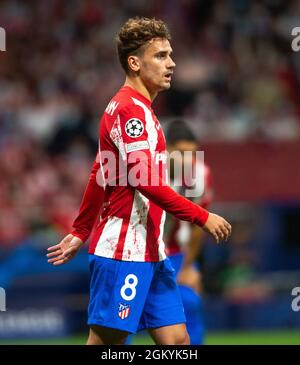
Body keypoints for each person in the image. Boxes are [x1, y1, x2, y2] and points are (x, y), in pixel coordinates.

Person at [47, 17, 231, 345]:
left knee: (177, 342)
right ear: (134, 62)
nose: (171, 63)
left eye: (170, 54)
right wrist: (201, 215)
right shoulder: (130, 111)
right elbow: (144, 180)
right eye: (160, 55)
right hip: (123, 250)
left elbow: (100, 171)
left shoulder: (141, 110)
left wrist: (80, 229)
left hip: (151, 250)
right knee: (108, 345)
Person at [165, 119, 213, 345]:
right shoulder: (146, 171)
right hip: (138, 252)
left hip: (175, 252)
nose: (187, 159)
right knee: (124, 315)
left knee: (190, 303)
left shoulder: (199, 174)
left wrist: (187, 267)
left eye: (192, 153)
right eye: (181, 152)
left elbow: (199, 226)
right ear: (166, 148)